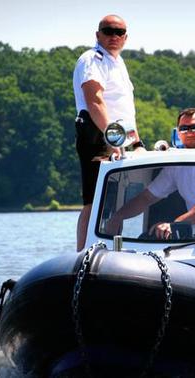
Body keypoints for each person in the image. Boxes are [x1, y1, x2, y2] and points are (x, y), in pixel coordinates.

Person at [105, 108, 195, 239]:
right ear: (178, 133)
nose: (189, 133)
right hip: (193, 238)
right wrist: (118, 216)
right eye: (184, 128)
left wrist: (173, 225)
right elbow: (147, 197)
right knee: (145, 238)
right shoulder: (177, 164)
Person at [73, 14, 144, 251]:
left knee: (117, 200)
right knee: (94, 201)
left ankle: (114, 253)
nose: (114, 36)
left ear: (126, 37)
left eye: (119, 32)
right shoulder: (93, 59)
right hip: (99, 134)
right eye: (108, 31)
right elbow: (95, 102)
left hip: (122, 135)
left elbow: (124, 109)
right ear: (98, 34)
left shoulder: (118, 62)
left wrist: (136, 142)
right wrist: (113, 137)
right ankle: (82, 254)